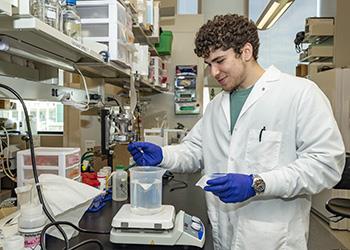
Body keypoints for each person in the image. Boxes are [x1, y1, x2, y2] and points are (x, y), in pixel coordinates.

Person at [128, 14, 345, 250]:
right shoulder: (216, 107)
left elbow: (326, 164)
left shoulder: (299, 94)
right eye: (208, 64)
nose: (214, 72)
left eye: (220, 60)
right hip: (224, 234)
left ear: (246, 51)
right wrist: (163, 156)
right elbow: (195, 151)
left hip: (273, 240)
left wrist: (258, 184)